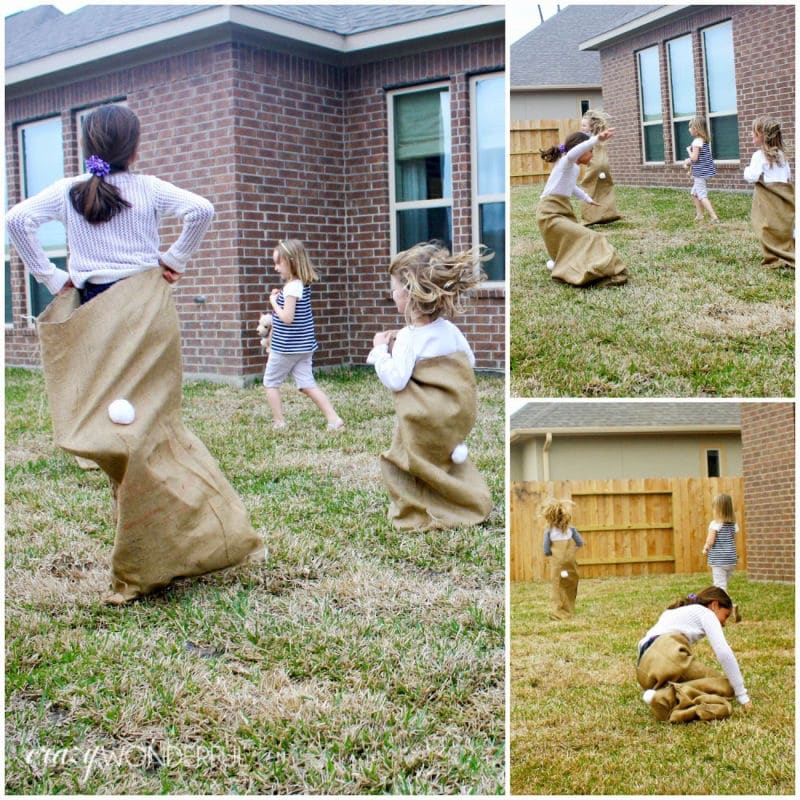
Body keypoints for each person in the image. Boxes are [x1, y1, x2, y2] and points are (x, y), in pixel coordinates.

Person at [5, 104, 263, 604]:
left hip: (96, 311)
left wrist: (52, 277)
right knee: (153, 424)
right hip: (145, 308)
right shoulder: (147, 188)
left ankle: (147, 536)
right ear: (136, 148)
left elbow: (16, 219)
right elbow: (203, 210)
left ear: (87, 147)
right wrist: (175, 259)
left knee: (117, 426)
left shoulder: (69, 190)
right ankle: (170, 536)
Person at [367, 241, 493, 531]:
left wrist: (380, 352)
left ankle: (415, 509)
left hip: (423, 419)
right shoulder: (450, 330)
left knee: (405, 460)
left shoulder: (411, 337)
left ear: (410, 293)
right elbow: (468, 362)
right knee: (444, 463)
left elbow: (397, 380)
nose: (392, 294)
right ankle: (460, 500)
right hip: (452, 419)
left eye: (395, 288)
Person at [637, 587, 752, 724]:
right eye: (725, 616)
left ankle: (662, 694)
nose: (724, 624)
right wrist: (742, 695)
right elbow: (723, 652)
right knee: (725, 686)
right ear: (714, 605)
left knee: (693, 685)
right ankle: (665, 696)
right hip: (668, 654)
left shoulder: (672, 611)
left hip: (644, 671)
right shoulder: (705, 612)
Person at [263, 239, 344, 431]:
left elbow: (287, 317)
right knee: (307, 384)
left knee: (270, 383)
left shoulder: (292, 287)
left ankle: (279, 422)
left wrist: (273, 301)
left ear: (291, 262)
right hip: (304, 347)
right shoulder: (299, 285)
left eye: (278, 263)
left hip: (286, 347)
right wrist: (280, 295)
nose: (275, 268)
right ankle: (334, 419)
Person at [537, 130, 627, 286]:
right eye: (590, 151)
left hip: (562, 210)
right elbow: (573, 153)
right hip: (549, 213)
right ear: (581, 150)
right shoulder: (566, 162)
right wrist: (595, 139)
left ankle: (559, 263)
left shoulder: (574, 168)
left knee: (572, 241)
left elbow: (571, 187)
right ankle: (572, 265)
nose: (592, 155)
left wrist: (587, 199)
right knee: (590, 237)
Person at [743, 115, 794, 269]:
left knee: (767, 227)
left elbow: (751, 177)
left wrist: (746, 170)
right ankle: (787, 250)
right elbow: (788, 176)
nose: (751, 134)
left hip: (769, 198)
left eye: (755, 133)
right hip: (785, 197)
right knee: (784, 226)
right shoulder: (782, 155)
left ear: (764, 136)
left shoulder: (759, 156)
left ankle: (774, 257)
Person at [541, 497, 584, 620]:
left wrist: (550, 555)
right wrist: (571, 552)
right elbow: (580, 543)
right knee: (570, 584)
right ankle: (569, 609)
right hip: (570, 564)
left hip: (557, 565)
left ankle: (559, 612)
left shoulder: (549, 531)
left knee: (557, 585)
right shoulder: (571, 530)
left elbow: (546, 549)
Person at [703, 493, 741, 622]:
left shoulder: (715, 524)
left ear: (717, 509)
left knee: (719, 588)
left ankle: (729, 606)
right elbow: (733, 541)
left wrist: (705, 548)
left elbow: (711, 540)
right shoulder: (733, 525)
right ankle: (719, 608)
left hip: (719, 561)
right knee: (722, 585)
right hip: (731, 560)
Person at [578, 109, 621, 225]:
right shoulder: (599, 137)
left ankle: (589, 217)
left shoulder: (587, 137)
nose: (582, 127)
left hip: (596, 165)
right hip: (604, 165)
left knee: (587, 187)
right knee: (605, 187)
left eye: (584, 125)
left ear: (591, 127)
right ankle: (608, 213)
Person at [684, 116, 720, 223]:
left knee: (701, 194)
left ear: (696, 128)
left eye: (690, 127)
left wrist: (688, 152)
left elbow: (694, 158)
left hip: (700, 173)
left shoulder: (696, 142)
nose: (689, 129)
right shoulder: (704, 140)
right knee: (694, 193)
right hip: (706, 171)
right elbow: (701, 157)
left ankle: (714, 217)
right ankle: (699, 215)